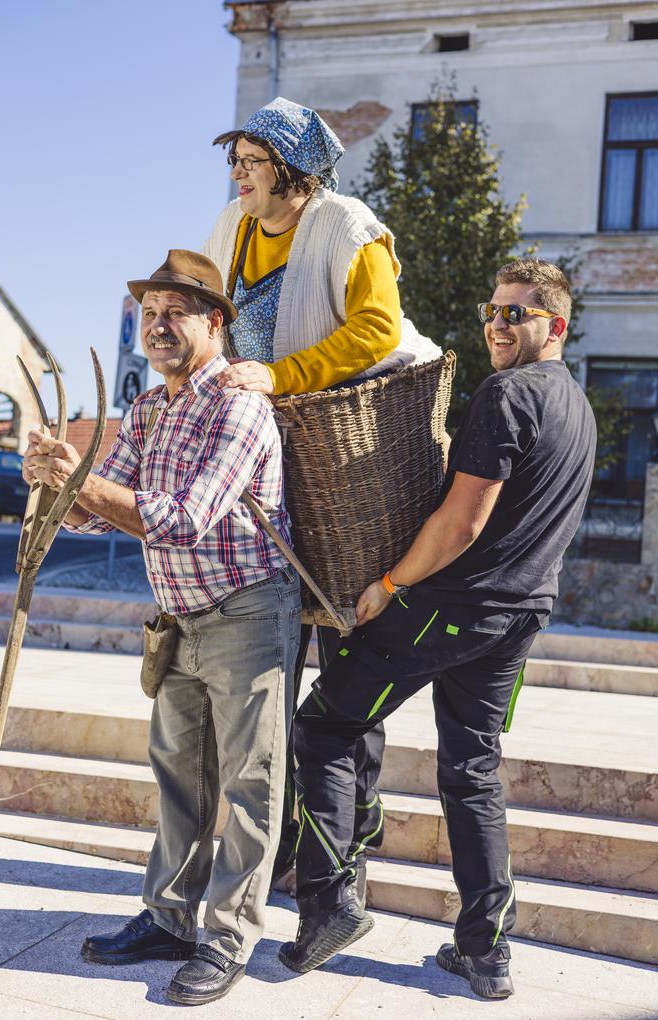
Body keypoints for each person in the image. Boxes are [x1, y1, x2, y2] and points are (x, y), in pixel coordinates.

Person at [279, 258, 597, 1000]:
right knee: (472, 771)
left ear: (555, 325)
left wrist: (390, 585)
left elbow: (461, 522)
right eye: (493, 311)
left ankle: (328, 905)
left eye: (515, 314)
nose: (497, 325)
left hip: (453, 605)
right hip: (520, 614)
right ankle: (486, 952)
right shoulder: (576, 406)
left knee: (324, 726)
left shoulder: (509, 393)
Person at [23, 250, 301, 1007]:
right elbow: (90, 509)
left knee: (251, 783)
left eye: (175, 312)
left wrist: (87, 482)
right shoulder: (149, 409)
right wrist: (59, 472)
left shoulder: (239, 407)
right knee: (180, 775)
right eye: (149, 315)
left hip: (247, 610)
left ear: (215, 322)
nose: (158, 326)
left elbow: (181, 519)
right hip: (179, 616)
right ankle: (170, 918)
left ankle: (229, 939)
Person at [203, 96, 442, 893]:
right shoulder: (231, 231)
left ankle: (343, 846)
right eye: (233, 159)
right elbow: (202, 317)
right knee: (274, 663)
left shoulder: (345, 225)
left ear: (293, 169)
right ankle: (268, 851)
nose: (236, 172)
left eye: (251, 159)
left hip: (354, 453)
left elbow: (377, 329)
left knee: (346, 655)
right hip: (275, 458)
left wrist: (280, 374)